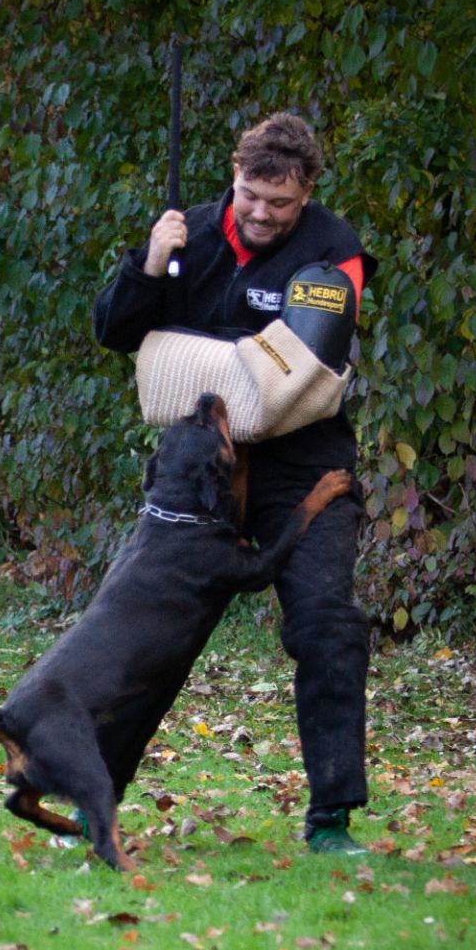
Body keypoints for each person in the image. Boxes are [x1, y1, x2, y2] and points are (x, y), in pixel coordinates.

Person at [92, 112, 377, 855]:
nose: (260, 213)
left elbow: (299, 381)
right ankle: (97, 801)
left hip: (302, 463)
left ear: (308, 192)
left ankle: (331, 820)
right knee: (143, 637)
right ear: (234, 174)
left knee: (325, 623)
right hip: (198, 474)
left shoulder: (334, 251)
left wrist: (184, 358)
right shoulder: (185, 233)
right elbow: (115, 333)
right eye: (250, 194)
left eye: (279, 203)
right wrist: (150, 268)